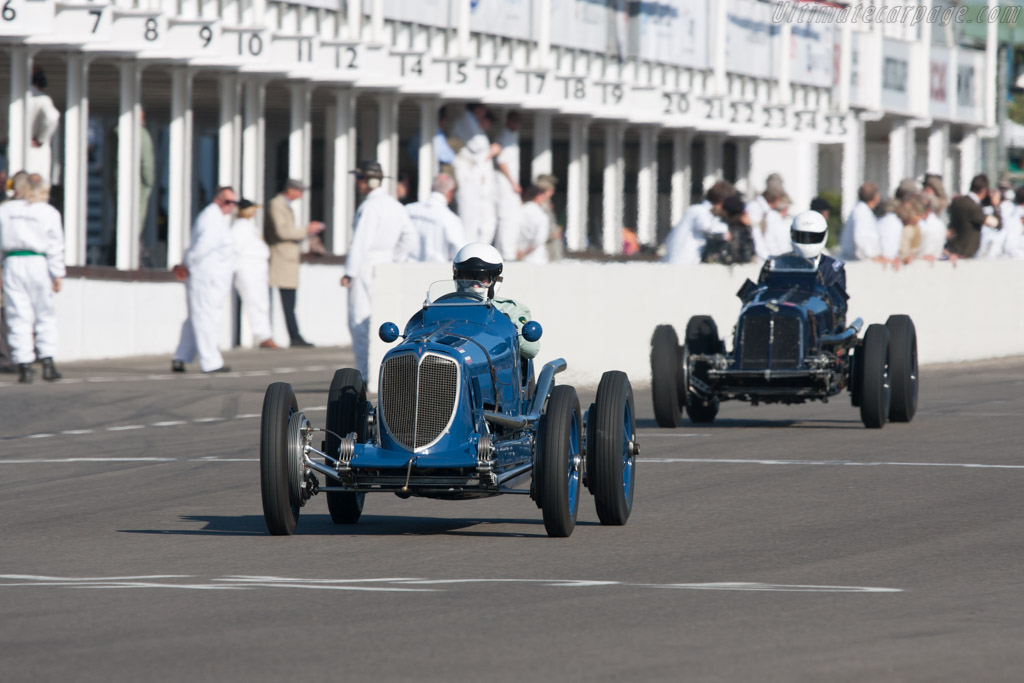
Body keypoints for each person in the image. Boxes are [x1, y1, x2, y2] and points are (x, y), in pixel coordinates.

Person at [341, 160, 417, 380]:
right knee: (385, 319)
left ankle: (365, 374)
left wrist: (349, 272)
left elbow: (360, 242)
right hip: (387, 266)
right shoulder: (395, 205)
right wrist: (394, 258)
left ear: (370, 180)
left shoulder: (369, 206)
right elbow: (409, 237)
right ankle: (384, 373)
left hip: (366, 265)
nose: (358, 183)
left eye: (360, 178)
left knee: (360, 321)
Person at [0, 173, 65, 383]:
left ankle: (24, 365)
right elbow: (56, 245)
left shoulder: (6, 210)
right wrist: (57, 273)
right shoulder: (48, 212)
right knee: (44, 312)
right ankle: (47, 361)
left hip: (12, 263)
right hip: (38, 263)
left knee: (17, 314)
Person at [171, 186, 237, 373]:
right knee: (205, 318)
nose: (231, 206)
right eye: (228, 202)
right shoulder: (211, 218)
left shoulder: (217, 218)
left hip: (213, 278)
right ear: (218, 200)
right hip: (205, 277)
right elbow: (203, 246)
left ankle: (181, 356)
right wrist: (186, 264)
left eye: (234, 203)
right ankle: (211, 361)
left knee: (197, 317)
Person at [452, 243, 539, 360]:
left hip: (499, 368)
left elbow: (531, 349)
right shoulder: (446, 307)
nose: (475, 283)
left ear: (495, 279)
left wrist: (510, 327)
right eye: (468, 277)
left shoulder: (511, 309)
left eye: (482, 278)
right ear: (458, 278)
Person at [265, 178, 324, 347]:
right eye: (299, 191)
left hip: (288, 259)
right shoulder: (277, 204)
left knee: (290, 300)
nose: (301, 195)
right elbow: (282, 232)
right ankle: (293, 336)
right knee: (286, 300)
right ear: (291, 190)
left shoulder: (283, 205)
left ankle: (295, 335)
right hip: (282, 258)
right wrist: (307, 230)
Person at [763, 210, 847, 323]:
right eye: (802, 237)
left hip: (817, 325)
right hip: (780, 319)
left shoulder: (832, 268)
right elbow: (760, 296)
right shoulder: (776, 264)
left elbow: (839, 307)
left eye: (813, 237)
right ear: (793, 234)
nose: (807, 242)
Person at [231, 199, 277, 349]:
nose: (254, 213)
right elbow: (234, 251)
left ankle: (265, 334)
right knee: (254, 302)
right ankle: (262, 336)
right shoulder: (238, 228)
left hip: (257, 268)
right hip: (247, 268)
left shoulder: (250, 226)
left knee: (262, 302)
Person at [453, 105, 501, 244]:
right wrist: (491, 151)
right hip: (467, 173)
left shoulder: (472, 123)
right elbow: (477, 147)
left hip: (475, 177)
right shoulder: (466, 120)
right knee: (468, 216)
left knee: (479, 219)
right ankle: (467, 249)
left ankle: (476, 248)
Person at [663, 180, 734, 264]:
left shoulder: (703, 212)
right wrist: (728, 229)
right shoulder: (698, 210)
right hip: (681, 261)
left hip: (688, 262)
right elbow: (707, 226)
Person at [406, 173, 465, 262]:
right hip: (436, 272)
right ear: (450, 192)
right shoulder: (450, 218)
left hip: (405, 270)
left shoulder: (408, 210)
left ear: (432, 188)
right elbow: (460, 253)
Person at [494, 111, 522, 260]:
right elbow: (501, 161)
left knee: (513, 218)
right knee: (506, 218)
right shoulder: (505, 135)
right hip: (505, 186)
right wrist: (513, 183)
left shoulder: (511, 135)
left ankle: (508, 252)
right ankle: (505, 254)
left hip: (510, 185)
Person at [26, 68, 60, 184]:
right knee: (36, 184)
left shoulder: (8, 97)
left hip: (12, 149)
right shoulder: (42, 99)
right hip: (35, 150)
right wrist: (40, 138)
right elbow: (52, 117)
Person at [948, 174, 989, 257]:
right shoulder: (974, 207)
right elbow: (994, 223)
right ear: (984, 190)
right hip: (968, 252)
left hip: (953, 249)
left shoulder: (957, 201)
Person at [839, 182, 882, 261]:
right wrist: (872, 257)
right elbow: (860, 238)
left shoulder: (862, 210)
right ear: (875, 197)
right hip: (858, 262)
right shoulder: (862, 212)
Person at [746, 186, 785, 262]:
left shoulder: (765, 210)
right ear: (778, 199)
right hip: (761, 259)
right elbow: (756, 236)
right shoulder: (755, 208)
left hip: (766, 258)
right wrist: (768, 258)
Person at [518, 184, 551, 264]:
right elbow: (539, 239)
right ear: (538, 196)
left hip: (518, 254)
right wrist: (526, 252)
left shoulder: (519, 210)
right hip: (537, 258)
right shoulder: (541, 215)